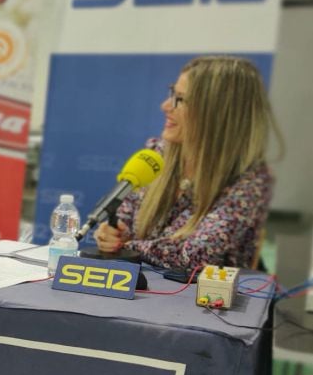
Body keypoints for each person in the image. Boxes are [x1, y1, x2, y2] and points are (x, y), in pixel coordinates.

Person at [94, 55, 279, 271]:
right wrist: (112, 233)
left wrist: (126, 246)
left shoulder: (250, 181)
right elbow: (124, 219)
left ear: (217, 114)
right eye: (172, 94)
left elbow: (195, 255)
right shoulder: (157, 154)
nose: (165, 106)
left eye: (180, 99)